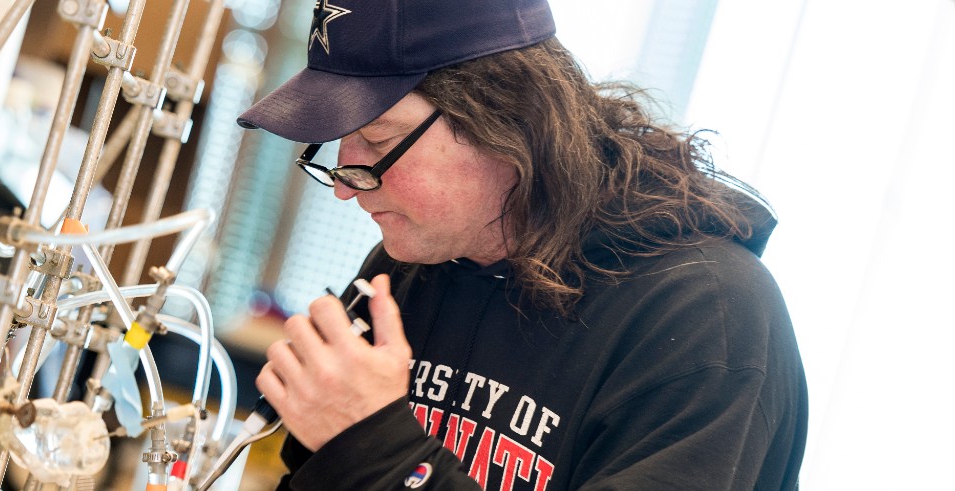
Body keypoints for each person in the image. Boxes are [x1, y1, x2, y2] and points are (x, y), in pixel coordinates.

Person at [237, 0, 808, 489]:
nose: (343, 183)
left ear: (510, 118)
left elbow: (377, 456)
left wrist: (376, 447)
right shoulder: (418, 264)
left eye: (377, 138)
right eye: (339, 144)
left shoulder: (709, 319)